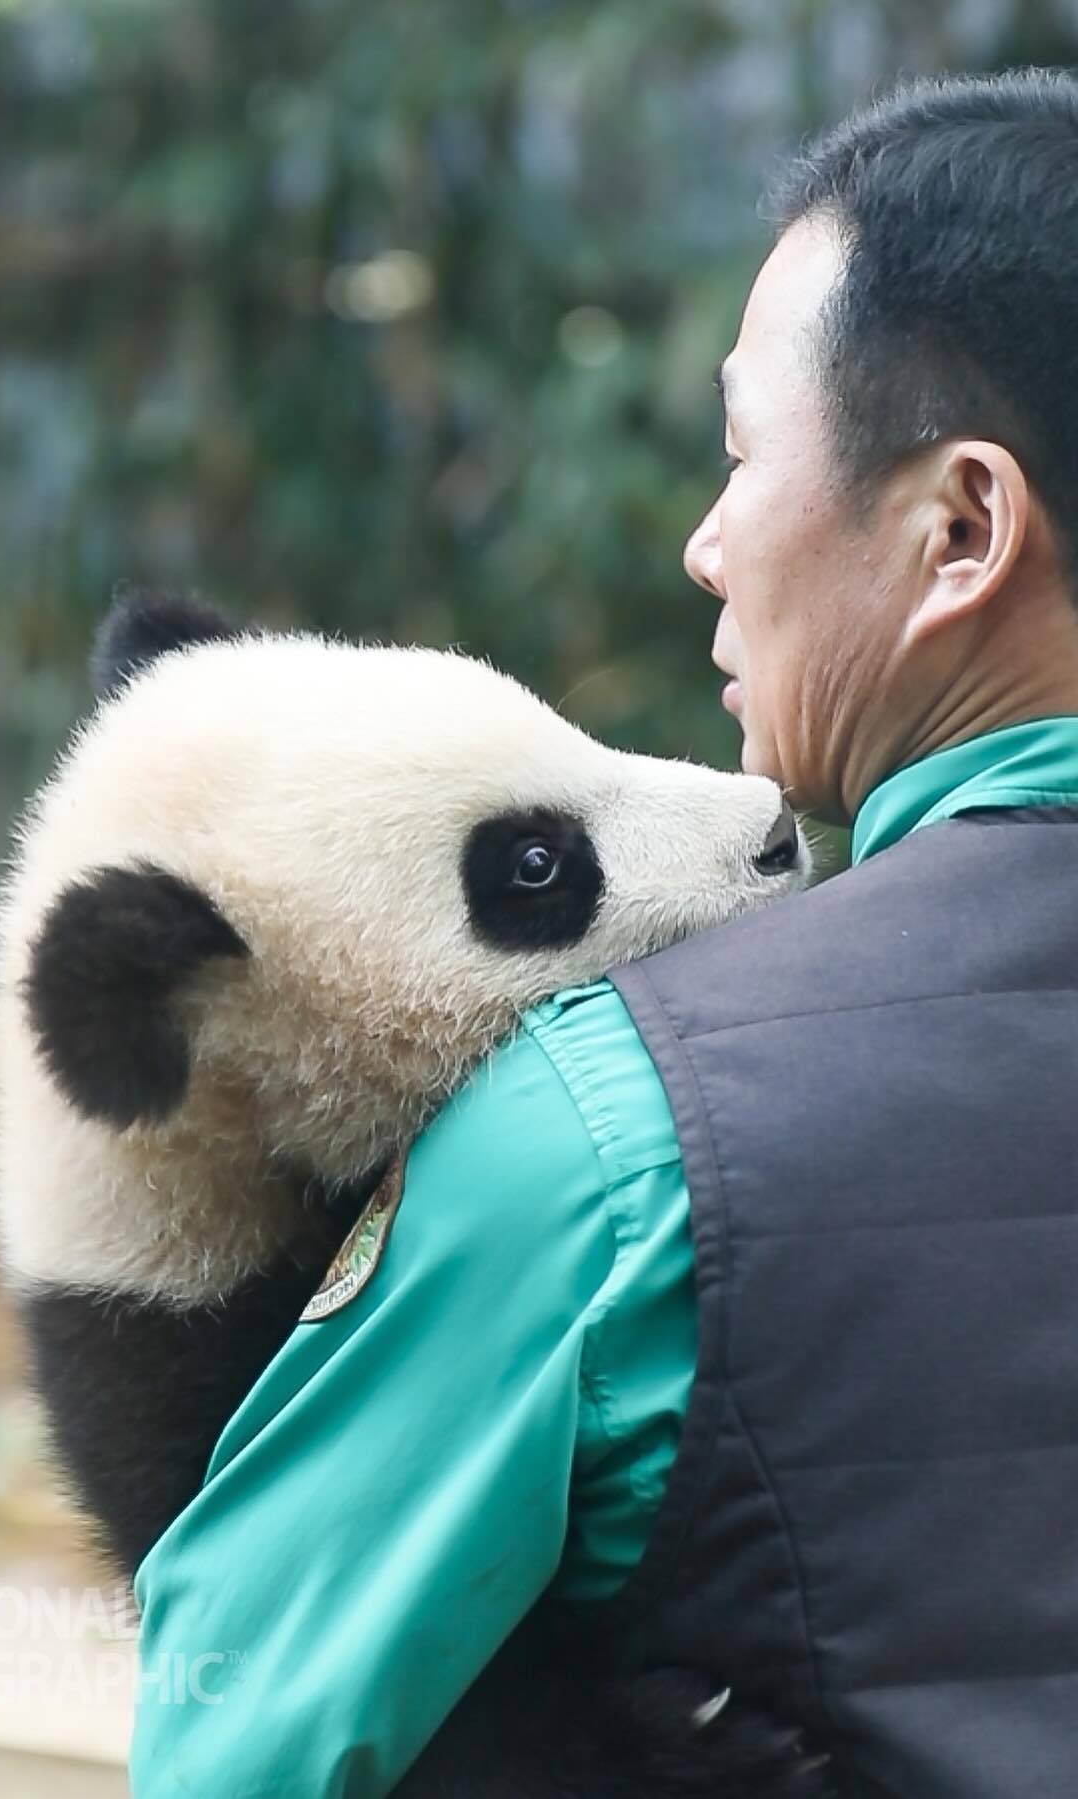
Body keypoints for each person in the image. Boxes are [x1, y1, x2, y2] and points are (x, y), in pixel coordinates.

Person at [128, 69, 1078, 1798]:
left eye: (742, 454)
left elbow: (243, 1740)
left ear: (960, 529)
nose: (710, 547)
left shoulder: (612, 1144)